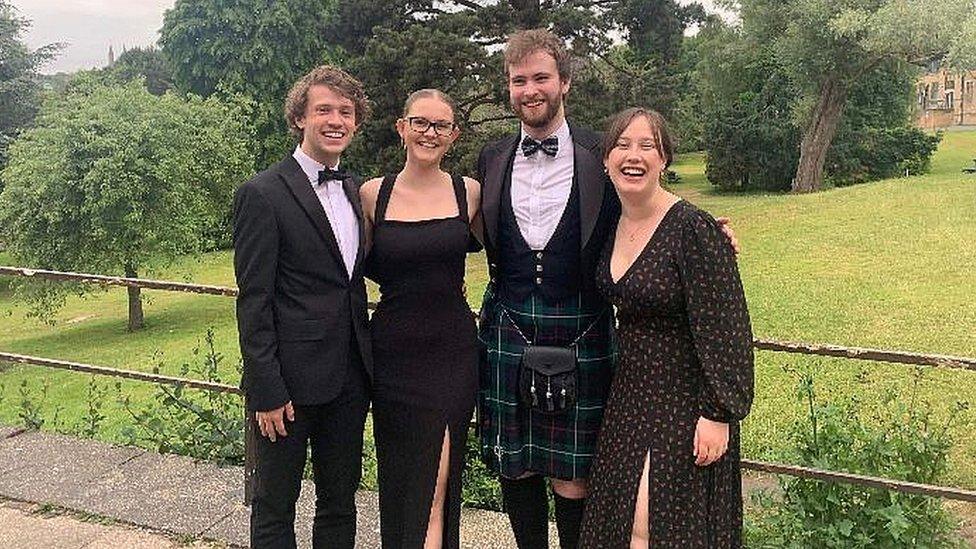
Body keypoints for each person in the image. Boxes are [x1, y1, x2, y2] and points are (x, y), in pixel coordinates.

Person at [578, 108, 754, 548]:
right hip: (629, 395)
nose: (633, 156)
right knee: (620, 525)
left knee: (661, 528)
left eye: (647, 146)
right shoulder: (610, 222)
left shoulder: (693, 229)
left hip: (685, 400)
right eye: (622, 145)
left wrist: (718, 413)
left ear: (665, 159)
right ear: (605, 159)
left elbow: (728, 329)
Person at [475, 29, 621, 549]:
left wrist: (705, 229)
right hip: (508, 325)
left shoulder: (600, 152)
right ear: (508, 88)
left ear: (564, 82)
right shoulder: (490, 158)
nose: (530, 89)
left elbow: (648, 204)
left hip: (581, 325)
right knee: (515, 469)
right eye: (519, 80)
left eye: (541, 77)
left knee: (574, 475)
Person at [233, 65, 372, 549]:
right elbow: (254, 302)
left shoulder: (356, 190)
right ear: (299, 118)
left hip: (350, 380)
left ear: (355, 122)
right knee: (275, 507)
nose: (335, 120)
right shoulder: (262, 194)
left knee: (340, 502)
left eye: (346, 112)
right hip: (287, 388)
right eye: (324, 110)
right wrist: (266, 391)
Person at [359, 89, 481, 549]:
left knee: (440, 477)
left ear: (453, 135)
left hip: (452, 352)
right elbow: (340, 267)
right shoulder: (374, 194)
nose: (430, 132)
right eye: (420, 122)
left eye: (441, 125)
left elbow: (523, 245)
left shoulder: (467, 192)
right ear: (402, 127)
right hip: (393, 354)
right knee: (402, 476)